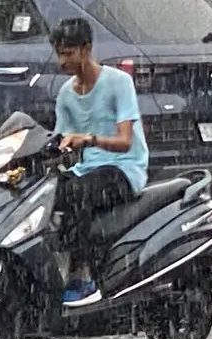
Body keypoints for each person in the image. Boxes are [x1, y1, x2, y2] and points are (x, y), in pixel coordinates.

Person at [51, 17, 149, 306]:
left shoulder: (119, 82)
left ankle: (81, 276)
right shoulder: (66, 94)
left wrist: (89, 139)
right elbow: (60, 140)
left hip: (124, 168)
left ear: (87, 49)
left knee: (80, 193)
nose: (63, 60)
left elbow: (125, 141)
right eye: (59, 54)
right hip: (86, 170)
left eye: (68, 53)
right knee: (45, 194)